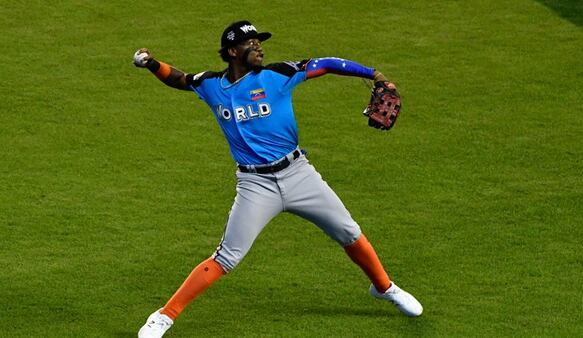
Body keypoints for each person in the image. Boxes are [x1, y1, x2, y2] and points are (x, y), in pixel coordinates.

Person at [134, 20, 422, 338]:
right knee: (227, 256)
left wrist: (373, 74)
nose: (258, 46)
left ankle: (384, 287)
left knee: (349, 232)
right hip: (255, 185)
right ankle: (163, 316)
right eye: (250, 42)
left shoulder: (279, 75)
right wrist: (151, 63)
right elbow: (180, 79)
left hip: (299, 174)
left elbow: (323, 64)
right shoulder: (211, 84)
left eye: (259, 41)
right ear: (232, 51)